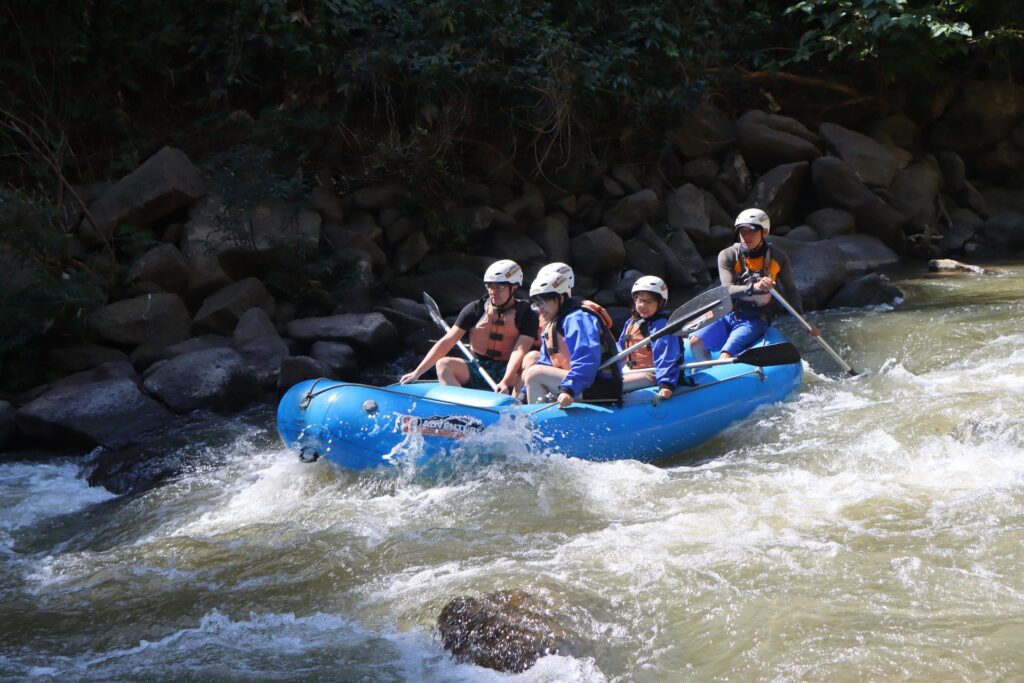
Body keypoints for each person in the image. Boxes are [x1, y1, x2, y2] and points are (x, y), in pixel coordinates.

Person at [688, 208, 818, 362]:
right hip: (727, 313)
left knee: (725, 357)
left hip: (755, 319)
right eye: (742, 232)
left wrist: (802, 318)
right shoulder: (728, 255)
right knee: (695, 343)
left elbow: (790, 290)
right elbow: (727, 289)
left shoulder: (778, 257)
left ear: (764, 232)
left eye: (751, 231)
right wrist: (754, 287)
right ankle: (705, 380)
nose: (746, 236)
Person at [399, 259, 538, 393]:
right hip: (479, 367)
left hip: (509, 372)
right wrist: (417, 373)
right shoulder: (475, 309)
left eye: (499, 287)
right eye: (489, 286)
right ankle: (460, 407)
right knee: (443, 365)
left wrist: (505, 382)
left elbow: (519, 351)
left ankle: (515, 402)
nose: (492, 291)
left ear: (514, 288)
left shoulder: (526, 314)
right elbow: (447, 341)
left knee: (533, 357)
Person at [521, 270, 623, 408]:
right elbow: (545, 363)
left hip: (600, 385)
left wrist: (568, 389)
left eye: (543, 302)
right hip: (578, 383)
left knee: (534, 374)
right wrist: (522, 394)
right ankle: (533, 414)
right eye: (536, 304)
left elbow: (587, 359)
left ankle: (537, 426)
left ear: (561, 298)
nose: (540, 309)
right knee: (532, 371)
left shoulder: (577, 318)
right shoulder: (552, 324)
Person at [618, 275, 679, 400]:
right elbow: (620, 350)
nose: (642, 305)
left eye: (648, 302)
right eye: (639, 300)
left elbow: (666, 356)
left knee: (611, 386)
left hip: (652, 374)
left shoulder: (662, 325)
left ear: (661, 303)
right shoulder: (631, 322)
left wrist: (665, 384)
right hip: (632, 371)